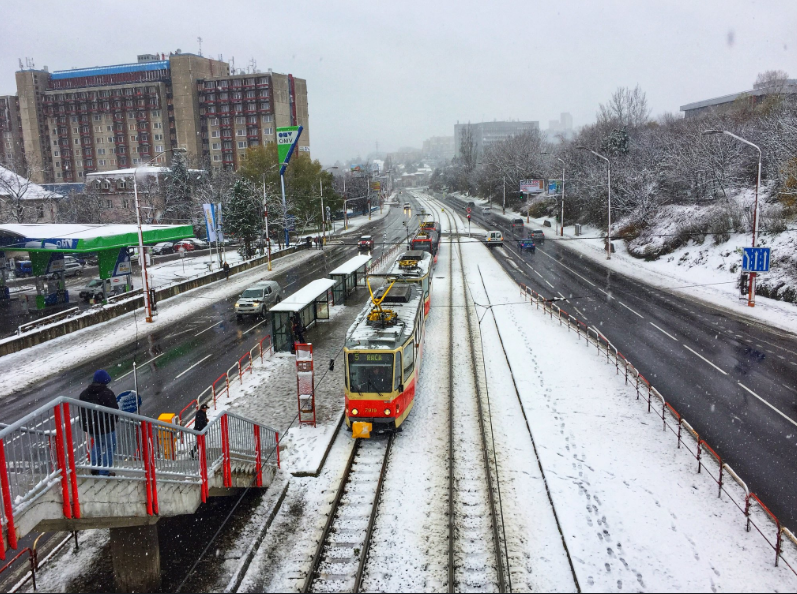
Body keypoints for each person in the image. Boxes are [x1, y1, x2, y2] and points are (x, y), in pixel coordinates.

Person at [79, 370, 119, 476]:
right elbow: (114, 410)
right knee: (110, 447)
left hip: (92, 427)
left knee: (97, 444)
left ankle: (95, 467)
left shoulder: (84, 394)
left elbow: (82, 411)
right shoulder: (107, 393)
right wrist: (113, 421)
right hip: (106, 427)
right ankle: (104, 471)